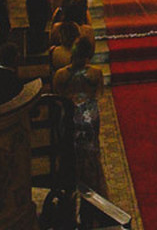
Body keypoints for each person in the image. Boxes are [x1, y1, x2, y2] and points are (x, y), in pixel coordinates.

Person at [53, 36, 107, 194]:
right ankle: (92, 181)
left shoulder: (60, 74)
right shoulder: (96, 73)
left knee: (69, 148)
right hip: (88, 115)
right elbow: (99, 94)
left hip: (69, 115)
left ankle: (69, 178)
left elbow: (58, 96)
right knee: (90, 150)